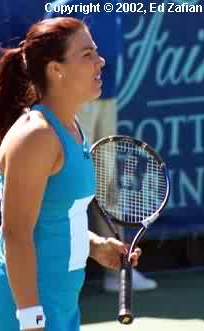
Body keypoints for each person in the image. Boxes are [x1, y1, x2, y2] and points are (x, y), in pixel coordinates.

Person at [0, 17, 142, 331]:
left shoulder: (72, 128)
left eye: (96, 52)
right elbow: (17, 234)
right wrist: (32, 329)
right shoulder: (36, 137)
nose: (101, 61)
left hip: (59, 307)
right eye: (87, 54)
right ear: (56, 70)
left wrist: (95, 246)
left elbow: (55, 216)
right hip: (23, 311)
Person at [45, 2, 157, 292]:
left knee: (106, 183)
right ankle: (64, 269)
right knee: (69, 184)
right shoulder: (63, 6)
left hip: (106, 95)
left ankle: (116, 273)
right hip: (76, 99)